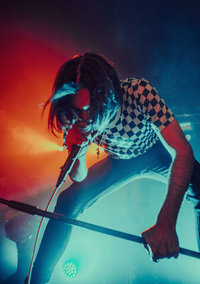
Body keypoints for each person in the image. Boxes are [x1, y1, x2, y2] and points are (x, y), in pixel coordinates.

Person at [29, 53, 200, 283]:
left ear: (107, 95)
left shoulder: (139, 91)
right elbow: (79, 176)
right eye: (78, 111)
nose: (85, 118)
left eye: (89, 109)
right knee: (68, 200)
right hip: (118, 161)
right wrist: (78, 152)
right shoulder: (73, 116)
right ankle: (35, 280)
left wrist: (166, 222)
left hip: (156, 152)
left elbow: (182, 150)